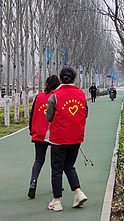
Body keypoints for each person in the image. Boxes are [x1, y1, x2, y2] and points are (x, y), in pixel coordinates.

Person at [45, 67, 88, 211]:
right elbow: (85, 113)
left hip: (58, 139)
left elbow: (49, 117)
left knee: (57, 169)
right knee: (69, 166)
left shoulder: (55, 95)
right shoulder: (81, 94)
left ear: (60, 79)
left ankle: (57, 200)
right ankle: (78, 192)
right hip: (76, 138)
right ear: (74, 79)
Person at [27, 74, 60, 199]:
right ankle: (56, 186)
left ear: (47, 84)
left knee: (38, 160)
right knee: (55, 162)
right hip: (54, 134)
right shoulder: (58, 97)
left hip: (39, 133)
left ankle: (33, 182)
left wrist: (31, 129)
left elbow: (32, 114)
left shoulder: (39, 96)